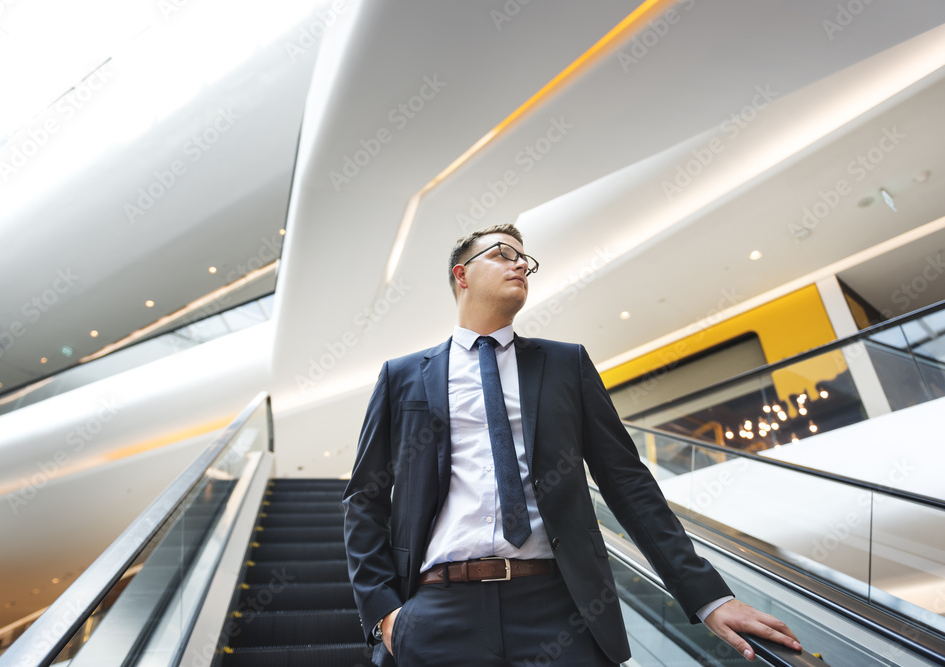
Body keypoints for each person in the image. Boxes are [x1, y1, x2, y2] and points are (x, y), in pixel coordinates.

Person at [343, 224, 801, 666]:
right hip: (439, 613)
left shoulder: (566, 364)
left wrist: (708, 598)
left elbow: (628, 483)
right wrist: (386, 614)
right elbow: (363, 498)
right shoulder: (402, 376)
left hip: (561, 610)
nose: (520, 264)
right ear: (461, 274)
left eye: (525, 259)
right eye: (503, 254)